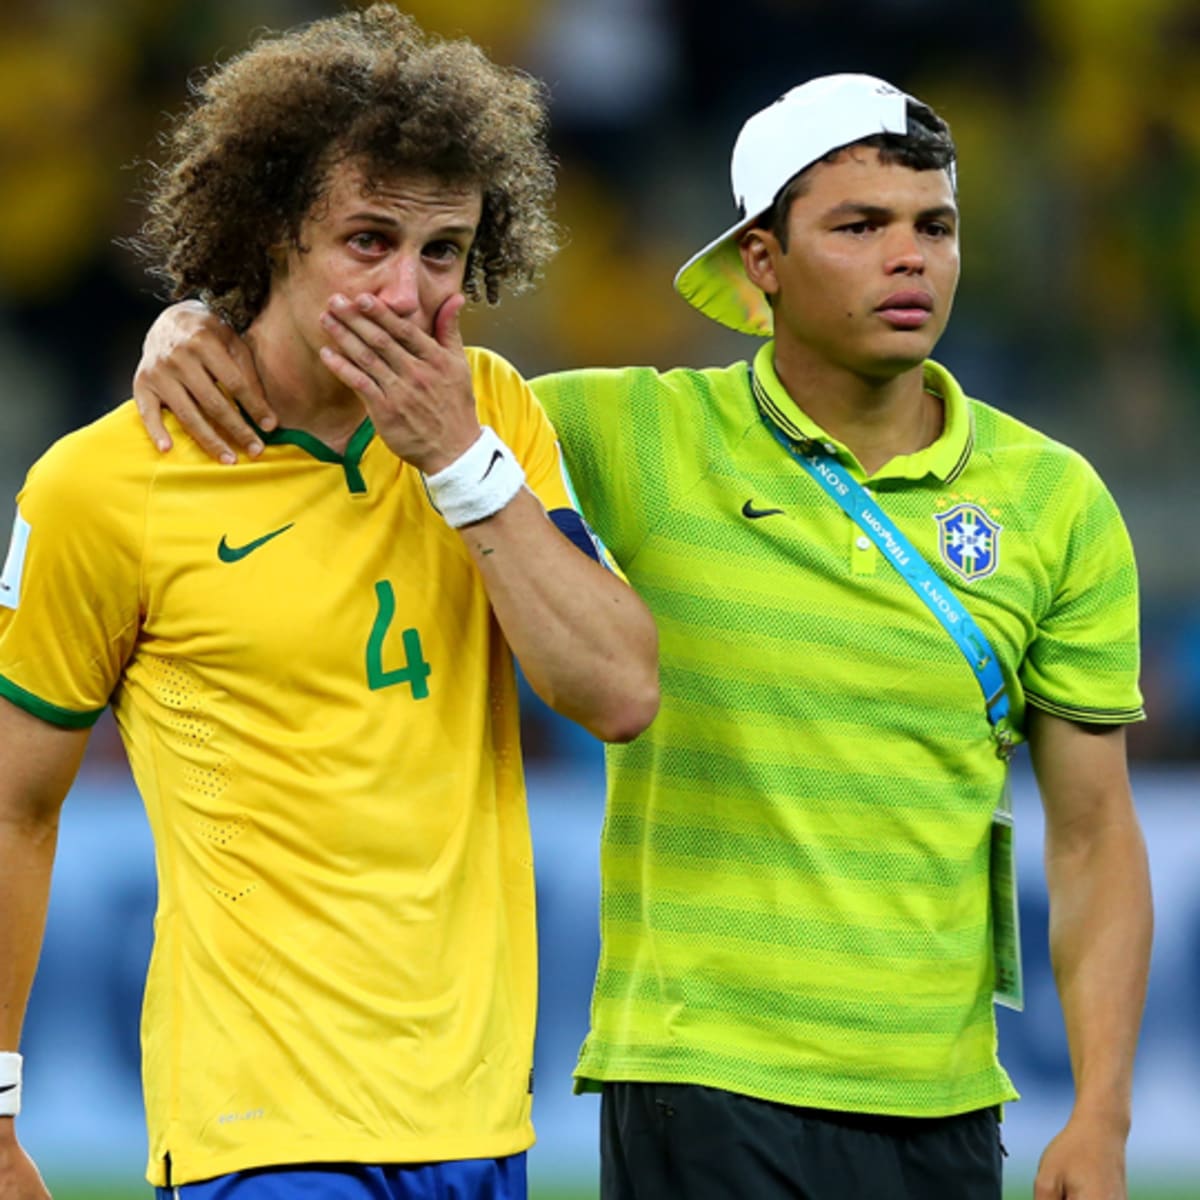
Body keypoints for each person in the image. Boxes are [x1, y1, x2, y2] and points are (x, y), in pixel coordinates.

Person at [129, 72, 1153, 1200]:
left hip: (950, 1098)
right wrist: (191, 325)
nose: (909, 257)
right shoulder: (630, 434)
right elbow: (367, 396)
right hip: (699, 1082)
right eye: (859, 226)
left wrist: (1101, 1112)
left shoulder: (1056, 503)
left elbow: (1096, 838)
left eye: (935, 226)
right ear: (761, 261)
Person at [0, 7, 660, 1200]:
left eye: (444, 252)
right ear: (270, 236)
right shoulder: (104, 485)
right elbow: (13, 810)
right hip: (259, 1128)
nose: (406, 292)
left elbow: (617, 691)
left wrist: (458, 465)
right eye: (367, 240)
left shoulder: (491, 418)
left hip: (474, 1121)